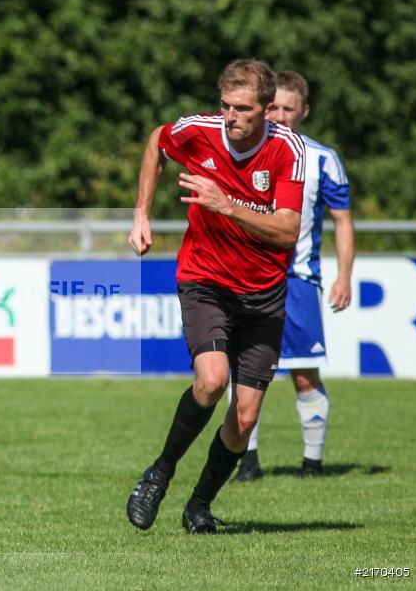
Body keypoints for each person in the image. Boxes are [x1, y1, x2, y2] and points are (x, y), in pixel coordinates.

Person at [126, 59, 305, 534]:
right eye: (225, 105)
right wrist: (141, 213)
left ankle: (199, 506)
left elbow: (287, 231)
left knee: (244, 418)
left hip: (264, 295)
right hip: (205, 281)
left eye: (242, 108)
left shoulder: (288, 150)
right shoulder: (199, 131)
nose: (230, 116)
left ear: (267, 109)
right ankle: (159, 473)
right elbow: (156, 142)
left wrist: (226, 205)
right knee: (211, 380)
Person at [233, 71, 355, 482]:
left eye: (289, 108)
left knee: (303, 374)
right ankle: (246, 462)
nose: (280, 115)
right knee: (243, 373)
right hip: (247, 278)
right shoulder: (243, 150)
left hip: (297, 280)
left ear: (303, 111)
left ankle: (312, 464)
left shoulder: (322, 159)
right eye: (274, 108)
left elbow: (342, 220)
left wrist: (344, 276)